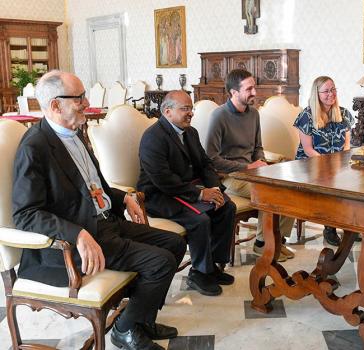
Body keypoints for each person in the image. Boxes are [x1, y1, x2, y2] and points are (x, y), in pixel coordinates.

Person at [12, 70, 186, 350]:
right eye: (79, 97)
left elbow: (91, 188)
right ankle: (126, 330)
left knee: (175, 243)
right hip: (74, 242)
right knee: (160, 261)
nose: (87, 102)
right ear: (56, 105)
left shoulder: (75, 135)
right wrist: (77, 234)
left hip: (105, 223)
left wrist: (123, 197)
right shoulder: (35, 147)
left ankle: (141, 319)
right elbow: (25, 214)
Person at [137, 90, 237, 297]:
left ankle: (213, 266)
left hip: (184, 189)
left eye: (191, 108)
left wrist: (215, 189)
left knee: (227, 207)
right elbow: (162, 179)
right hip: (159, 195)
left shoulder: (190, 132)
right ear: (167, 111)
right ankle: (199, 273)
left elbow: (205, 164)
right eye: (185, 109)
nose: (191, 113)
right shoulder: (153, 137)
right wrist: (200, 195)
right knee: (199, 220)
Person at [206, 69, 295, 262]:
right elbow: (211, 159)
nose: (254, 92)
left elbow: (258, 147)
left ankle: (278, 241)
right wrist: (247, 168)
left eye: (254, 87)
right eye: (249, 88)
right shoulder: (219, 116)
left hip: (253, 172)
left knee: (291, 188)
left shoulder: (253, 114)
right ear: (233, 92)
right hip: (230, 177)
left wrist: (260, 161)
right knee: (270, 192)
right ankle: (262, 244)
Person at [293, 76, 355, 246]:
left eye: (333, 89)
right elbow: (308, 149)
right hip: (311, 164)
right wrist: (330, 166)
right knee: (331, 182)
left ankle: (352, 227)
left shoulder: (344, 114)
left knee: (357, 182)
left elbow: (347, 145)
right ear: (316, 94)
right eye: (326, 91)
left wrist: (342, 165)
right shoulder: (306, 116)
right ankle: (330, 227)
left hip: (339, 163)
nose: (331, 94)